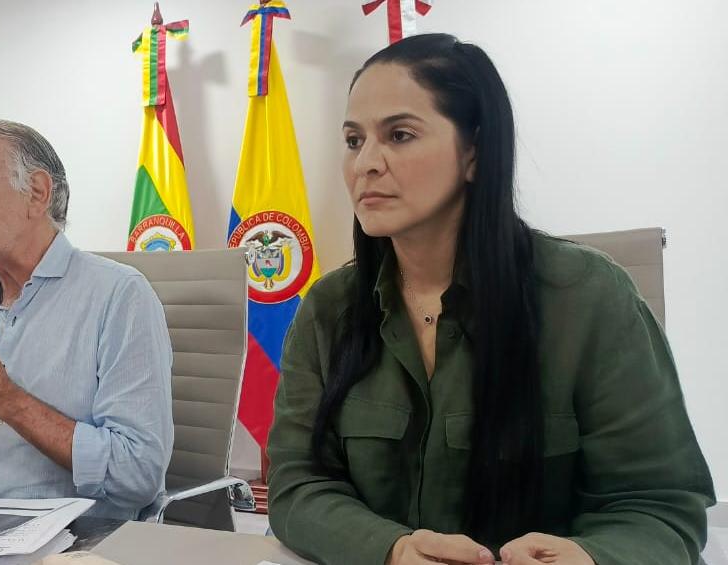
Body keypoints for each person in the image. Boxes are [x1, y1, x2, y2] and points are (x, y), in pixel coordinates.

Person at [266, 34, 714, 565]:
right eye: (353, 140)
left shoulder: (589, 299)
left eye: (400, 135)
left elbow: (660, 507)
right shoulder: (329, 308)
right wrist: (391, 550)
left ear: (474, 152)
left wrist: (591, 557)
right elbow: (298, 483)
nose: (365, 163)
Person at [0, 118, 173, 520]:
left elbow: (136, 475)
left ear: (36, 192)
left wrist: (4, 398)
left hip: (77, 542)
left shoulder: (120, 295)